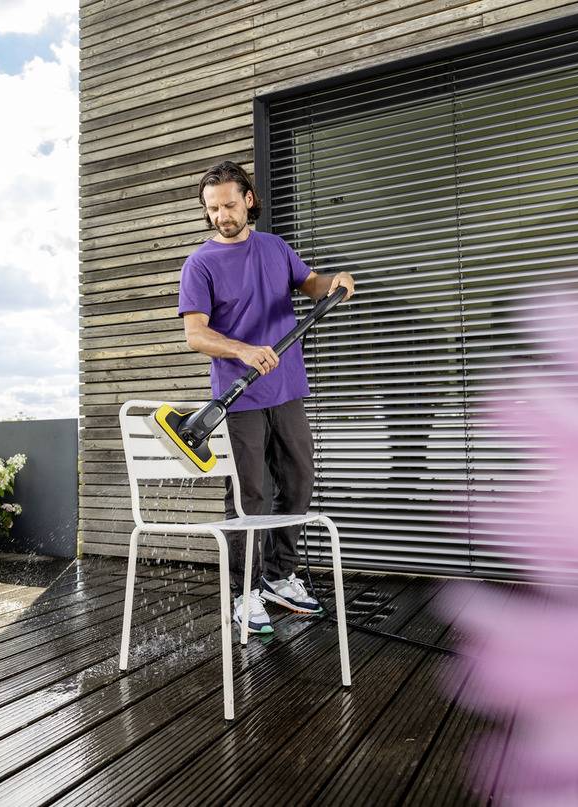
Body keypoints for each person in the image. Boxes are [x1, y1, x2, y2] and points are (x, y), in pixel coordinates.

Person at [177, 160, 354, 634]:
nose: (222, 215)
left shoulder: (275, 247)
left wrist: (331, 282)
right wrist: (242, 350)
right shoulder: (200, 264)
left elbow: (309, 283)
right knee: (250, 495)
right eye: (213, 208)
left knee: (297, 482)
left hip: (287, 388)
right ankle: (244, 591)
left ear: (249, 199)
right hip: (239, 399)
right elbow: (196, 334)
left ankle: (280, 576)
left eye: (230, 205)